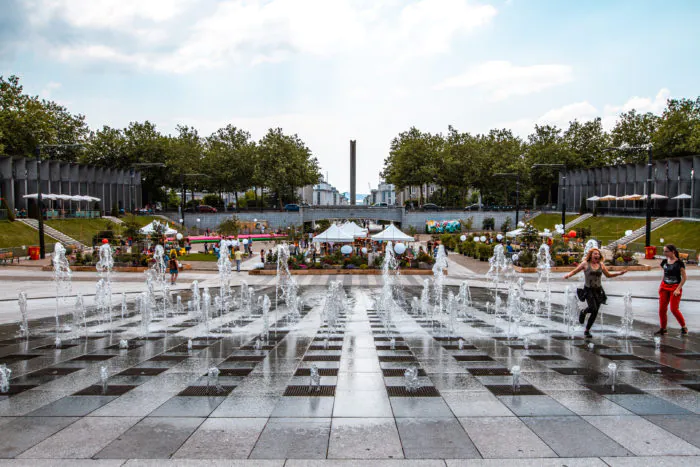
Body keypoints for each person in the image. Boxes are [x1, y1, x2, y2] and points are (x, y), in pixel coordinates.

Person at [563, 247, 627, 338]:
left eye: (598, 254)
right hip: (589, 290)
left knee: (595, 311)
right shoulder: (585, 264)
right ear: (591, 255)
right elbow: (575, 271)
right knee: (593, 308)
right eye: (595, 254)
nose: (597, 255)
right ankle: (583, 311)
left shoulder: (601, 264)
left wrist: (619, 273)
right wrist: (568, 275)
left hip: (598, 291)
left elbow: (608, 275)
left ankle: (587, 330)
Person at [657, 244, 688, 336]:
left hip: (675, 288)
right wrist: (661, 285)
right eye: (664, 251)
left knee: (674, 309)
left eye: (666, 251)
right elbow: (665, 274)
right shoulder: (664, 262)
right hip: (664, 287)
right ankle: (663, 329)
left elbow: (684, 278)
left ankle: (684, 327)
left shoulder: (679, 263)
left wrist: (678, 289)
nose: (664, 253)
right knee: (662, 309)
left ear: (673, 252)